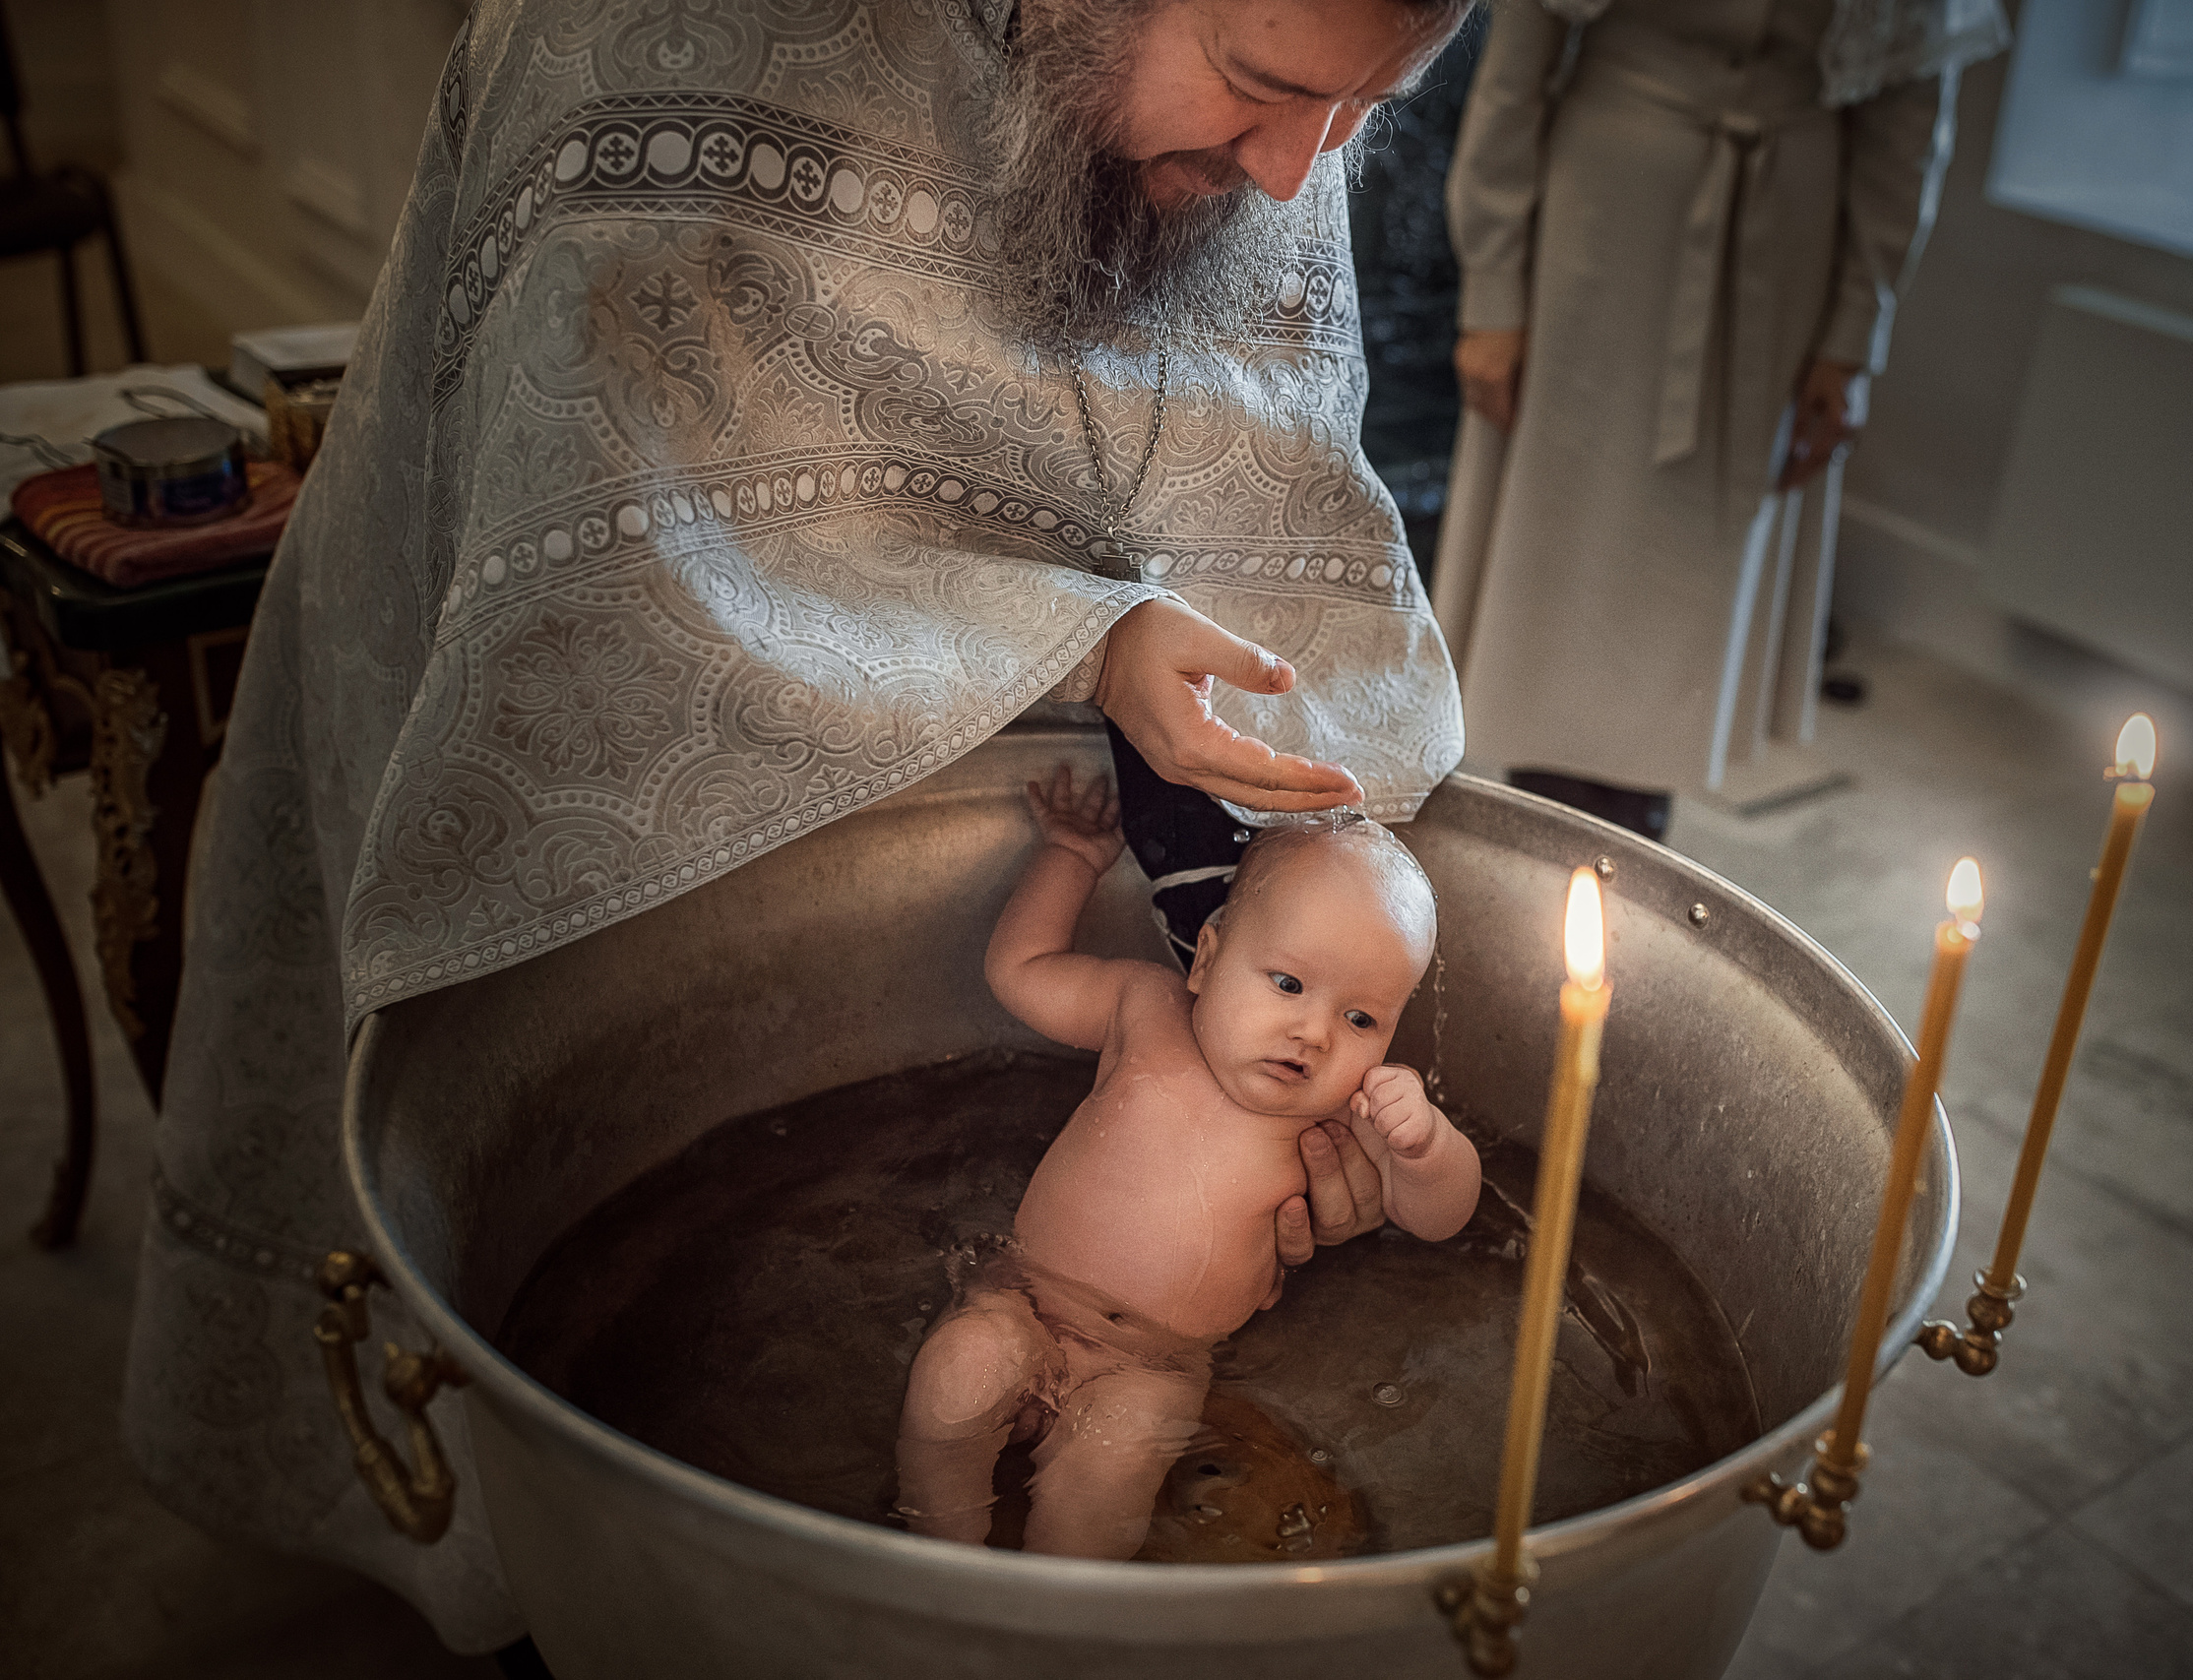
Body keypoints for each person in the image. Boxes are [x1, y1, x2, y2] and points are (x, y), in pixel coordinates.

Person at [124, 0, 1471, 1649]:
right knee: (687, 1415)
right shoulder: (649, 37)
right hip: (678, 823)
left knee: (1096, 1480)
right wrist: (1088, 642)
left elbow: (1239, 440)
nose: (1291, 180)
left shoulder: (1285, 86)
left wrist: (1288, 963)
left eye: (1368, 114)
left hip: (1141, 1265)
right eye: (1263, 92)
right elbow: (637, 508)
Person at [1431, 0, 2007, 813]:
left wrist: (1853, 333)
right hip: (1602, 222)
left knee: (1698, 567)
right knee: (1562, 554)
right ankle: (1548, 814)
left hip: (1787, 238)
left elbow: (1908, 122)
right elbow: (1516, 66)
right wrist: (1492, 286)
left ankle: (1641, 820)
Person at [896, 769, 1477, 1558]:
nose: (1313, 1032)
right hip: (1023, 1299)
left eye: (1360, 1016)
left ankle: (1048, 1618)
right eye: (1287, 982)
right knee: (955, 1375)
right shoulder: (1143, 1007)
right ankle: (935, 1551)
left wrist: (1426, 1145)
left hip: (1154, 1368)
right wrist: (1071, 853)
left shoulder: (1344, 1111)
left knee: (1105, 1479)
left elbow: (1439, 1214)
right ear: (1205, 960)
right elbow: (1021, 970)